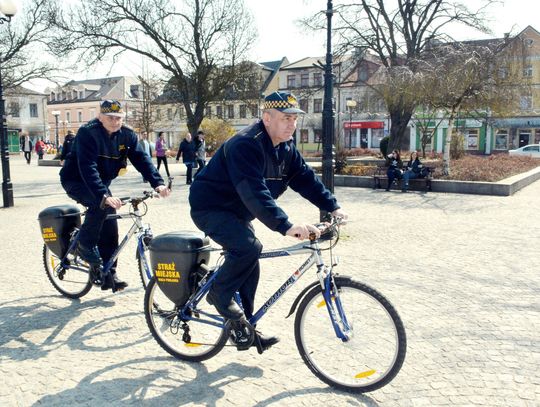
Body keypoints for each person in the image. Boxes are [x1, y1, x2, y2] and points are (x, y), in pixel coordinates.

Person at [189, 91, 348, 350]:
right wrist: (286, 225)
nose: (292, 124)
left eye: (295, 119)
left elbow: (304, 178)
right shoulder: (246, 144)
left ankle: (243, 326)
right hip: (211, 207)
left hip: (238, 211)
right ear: (266, 118)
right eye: (286, 118)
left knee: (250, 262)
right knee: (248, 248)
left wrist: (333, 206)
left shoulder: (285, 148)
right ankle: (218, 294)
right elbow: (253, 191)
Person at [60, 100, 170, 291]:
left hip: (100, 183)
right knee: (102, 206)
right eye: (110, 117)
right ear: (100, 117)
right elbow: (87, 166)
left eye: (118, 118)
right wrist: (103, 195)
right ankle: (85, 246)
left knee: (111, 224)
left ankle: (109, 272)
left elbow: (142, 159)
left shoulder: (127, 135)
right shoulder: (88, 132)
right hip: (76, 180)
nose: (114, 121)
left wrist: (158, 183)